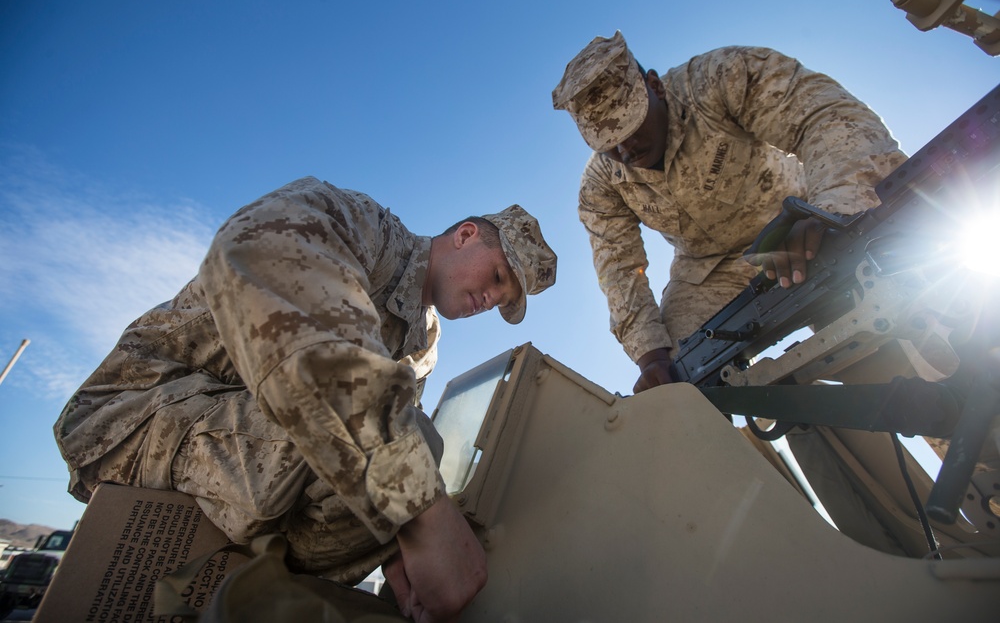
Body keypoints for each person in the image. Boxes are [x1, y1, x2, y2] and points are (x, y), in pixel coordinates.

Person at [54, 177, 557, 622]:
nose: (491, 299)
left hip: (241, 451)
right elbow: (260, 253)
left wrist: (395, 549)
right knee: (414, 453)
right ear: (466, 235)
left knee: (410, 458)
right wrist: (424, 514)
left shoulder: (421, 346)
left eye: (503, 300)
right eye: (496, 276)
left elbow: (370, 458)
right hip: (133, 414)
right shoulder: (363, 227)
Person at [552, 31, 907, 394]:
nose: (626, 148)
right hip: (710, 269)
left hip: (797, 219)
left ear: (655, 87)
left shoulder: (716, 78)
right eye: (608, 144)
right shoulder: (600, 184)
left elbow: (825, 116)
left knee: (888, 334)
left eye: (632, 124)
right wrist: (650, 354)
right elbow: (619, 270)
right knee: (676, 380)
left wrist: (832, 211)